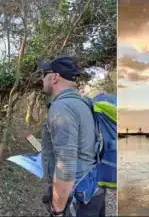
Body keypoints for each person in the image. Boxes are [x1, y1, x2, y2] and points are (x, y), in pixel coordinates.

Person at [39, 55, 106, 217]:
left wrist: (58, 210)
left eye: (44, 75)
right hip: (94, 193)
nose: (41, 79)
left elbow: (66, 165)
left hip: (77, 199)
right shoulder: (85, 103)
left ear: (55, 77)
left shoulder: (62, 108)